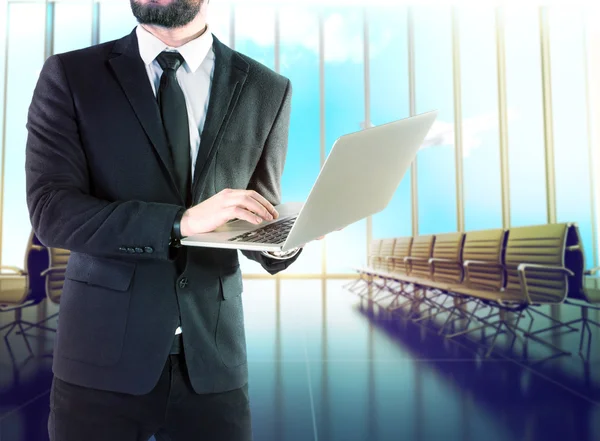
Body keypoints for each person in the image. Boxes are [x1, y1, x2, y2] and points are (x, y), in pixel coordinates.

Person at [25, 0, 307, 439]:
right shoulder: (71, 76)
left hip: (214, 363)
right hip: (100, 362)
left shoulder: (267, 89)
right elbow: (52, 211)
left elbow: (257, 211)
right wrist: (180, 222)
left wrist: (282, 239)